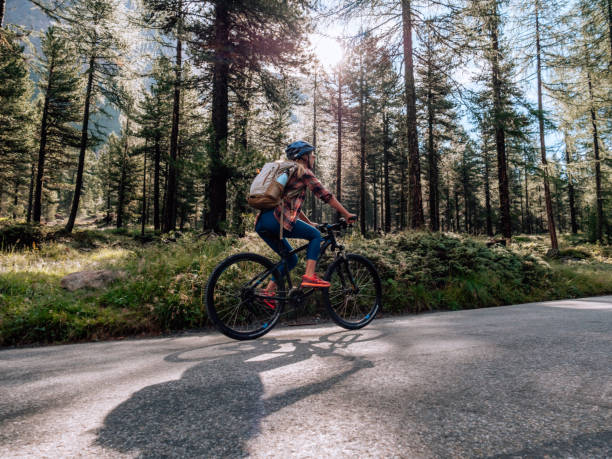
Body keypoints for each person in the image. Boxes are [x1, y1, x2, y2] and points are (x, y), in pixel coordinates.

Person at [255, 140, 357, 301]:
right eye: (312, 155)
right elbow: (325, 195)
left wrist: (309, 223)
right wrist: (346, 214)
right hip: (277, 219)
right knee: (316, 236)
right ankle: (309, 276)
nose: (314, 157)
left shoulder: (286, 172)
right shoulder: (303, 172)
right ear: (304, 157)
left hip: (263, 221)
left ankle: (268, 292)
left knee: (290, 259)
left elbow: (291, 205)